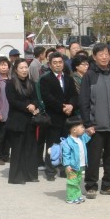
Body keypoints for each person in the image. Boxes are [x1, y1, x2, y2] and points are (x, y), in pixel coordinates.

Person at [79, 42, 110, 197]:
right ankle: (91, 185)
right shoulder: (89, 76)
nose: (104, 57)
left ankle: (108, 185)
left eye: (106, 53)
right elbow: (84, 101)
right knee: (94, 158)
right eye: (101, 54)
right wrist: (88, 124)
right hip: (96, 126)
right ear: (94, 57)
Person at [38, 51, 75, 182]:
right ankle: (50, 170)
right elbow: (47, 98)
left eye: (60, 62)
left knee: (66, 145)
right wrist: (62, 107)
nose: (58, 65)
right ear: (50, 64)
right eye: (55, 63)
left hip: (67, 118)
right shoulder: (45, 79)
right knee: (52, 145)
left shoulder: (69, 79)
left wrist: (71, 105)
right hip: (53, 116)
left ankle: (65, 169)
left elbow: (73, 95)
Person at [5, 58, 42, 185]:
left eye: (26, 67)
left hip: (30, 121)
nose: (24, 70)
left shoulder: (31, 82)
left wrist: (34, 105)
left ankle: (31, 174)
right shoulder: (10, 84)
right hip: (17, 120)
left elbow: (36, 99)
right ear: (16, 70)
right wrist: (27, 106)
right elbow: (12, 101)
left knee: (30, 148)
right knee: (18, 149)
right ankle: (16, 176)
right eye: (21, 68)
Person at [60, 117, 90, 204]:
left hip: (80, 165)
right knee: (72, 182)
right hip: (72, 166)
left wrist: (89, 133)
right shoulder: (68, 142)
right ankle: (70, 197)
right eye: (81, 127)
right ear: (74, 130)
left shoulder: (80, 138)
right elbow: (66, 155)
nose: (83, 128)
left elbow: (86, 138)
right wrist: (67, 165)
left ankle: (77, 195)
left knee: (78, 181)